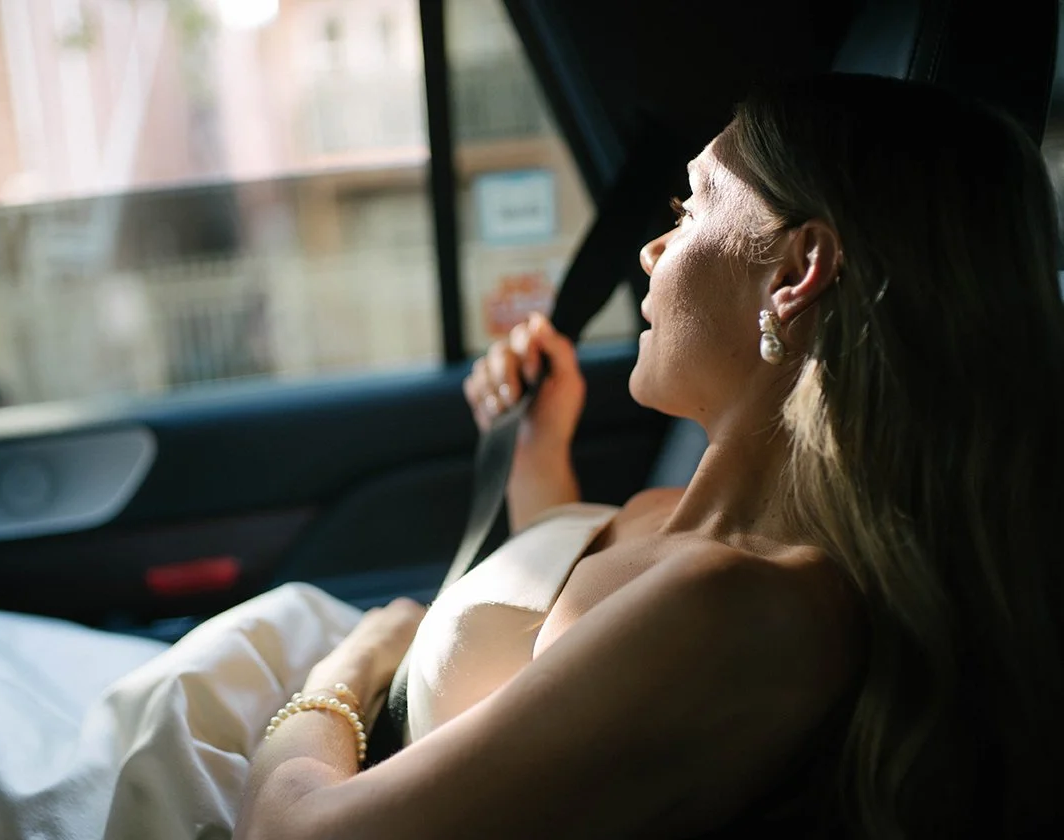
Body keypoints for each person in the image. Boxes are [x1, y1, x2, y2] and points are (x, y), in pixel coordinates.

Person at [233, 73, 1064, 839]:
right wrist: (539, 448)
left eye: (689, 209)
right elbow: (544, 647)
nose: (650, 250)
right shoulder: (680, 528)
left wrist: (350, 669)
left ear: (797, 269)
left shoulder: (746, 610)